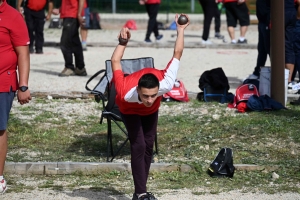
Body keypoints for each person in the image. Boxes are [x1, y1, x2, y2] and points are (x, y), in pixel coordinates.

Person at [111, 14, 189, 200]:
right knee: (138, 145)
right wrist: (122, 43)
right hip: (128, 109)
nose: (149, 98)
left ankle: (141, 191)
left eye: (154, 95)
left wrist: (180, 30)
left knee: (148, 146)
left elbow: (177, 53)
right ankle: (140, 193)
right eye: (145, 96)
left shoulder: (166, 83)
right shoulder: (125, 91)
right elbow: (115, 62)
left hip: (150, 113)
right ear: (138, 89)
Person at [0, 0, 32, 193]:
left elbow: (23, 53)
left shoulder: (12, 16)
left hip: (3, 81)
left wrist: (23, 85)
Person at [52, 0, 87, 77]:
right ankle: (80, 68)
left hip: (72, 15)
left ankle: (69, 67)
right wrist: (60, 9)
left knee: (65, 43)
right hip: (69, 14)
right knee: (75, 42)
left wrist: (79, 14)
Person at [245, 0, 271, 80]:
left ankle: (277, 73)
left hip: (268, 20)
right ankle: (257, 72)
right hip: (262, 21)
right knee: (262, 49)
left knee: (269, 49)